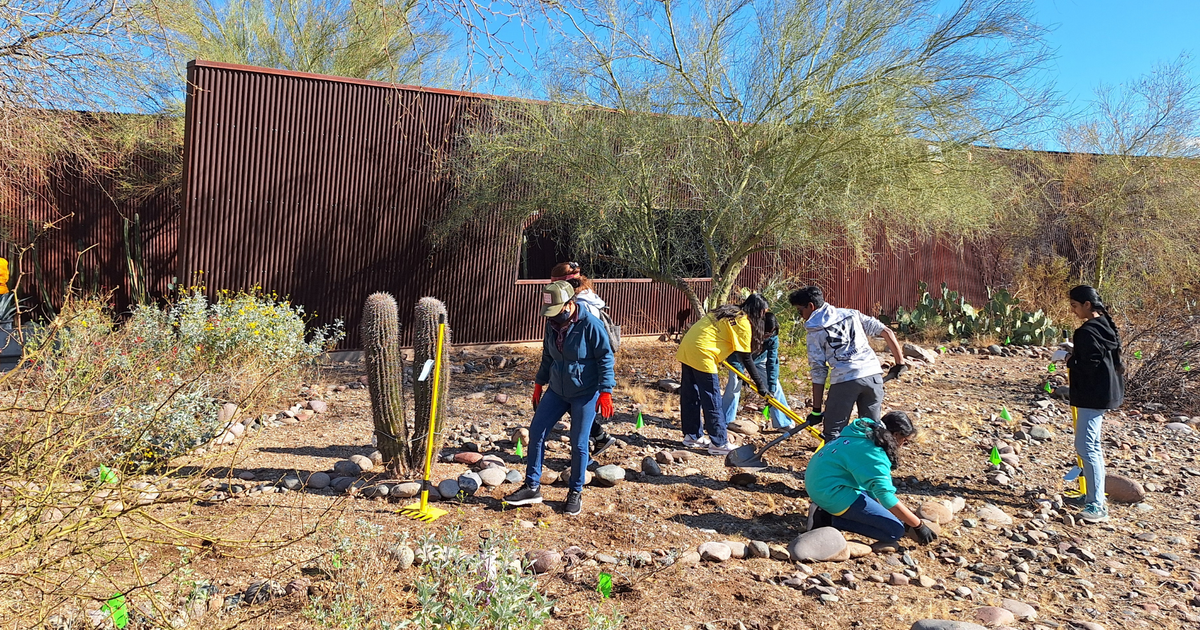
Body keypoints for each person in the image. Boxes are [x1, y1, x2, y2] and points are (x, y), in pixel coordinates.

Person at [504, 281, 615, 516]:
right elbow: (547, 355)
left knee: (579, 443)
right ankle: (531, 487)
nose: (554, 317)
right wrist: (538, 383)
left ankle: (575, 491)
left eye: (558, 311)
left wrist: (606, 391)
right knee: (536, 432)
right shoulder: (551, 323)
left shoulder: (591, 325)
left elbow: (605, 358)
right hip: (556, 389)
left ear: (570, 304)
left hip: (585, 392)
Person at [789, 286, 906, 442]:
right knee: (872, 431)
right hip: (872, 376)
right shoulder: (851, 314)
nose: (801, 316)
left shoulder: (815, 332)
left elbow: (818, 372)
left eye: (800, 311)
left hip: (845, 381)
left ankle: (833, 464)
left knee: (834, 432)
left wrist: (816, 410)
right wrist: (900, 362)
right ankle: (868, 464)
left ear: (811, 306)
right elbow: (887, 332)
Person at [804, 411, 936, 545]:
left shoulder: (862, 433)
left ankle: (827, 510)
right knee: (894, 531)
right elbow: (886, 496)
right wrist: (918, 525)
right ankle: (828, 518)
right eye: (905, 441)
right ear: (896, 435)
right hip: (829, 492)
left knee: (885, 511)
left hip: (818, 482)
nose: (902, 446)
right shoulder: (874, 452)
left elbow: (873, 487)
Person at [676, 301, 770, 455]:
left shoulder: (727, 311)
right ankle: (719, 443)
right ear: (756, 311)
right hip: (703, 353)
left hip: (688, 346)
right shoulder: (743, 322)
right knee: (712, 398)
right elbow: (746, 358)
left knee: (691, 395)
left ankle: (692, 437)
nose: (763, 317)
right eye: (763, 313)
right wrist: (760, 385)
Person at [1065, 285, 1124, 524]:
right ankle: (1092, 494)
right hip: (1106, 394)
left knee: (1086, 447)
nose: (1073, 311)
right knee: (1093, 446)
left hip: (1092, 395)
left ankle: (1096, 505)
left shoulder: (1086, 331)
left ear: (1087, 305)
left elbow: (1088, 367)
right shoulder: (1106, 325)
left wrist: (1068, 359)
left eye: (1075, 306)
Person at [551, 262, 617, 456]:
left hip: (586, 369)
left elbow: (599, 349)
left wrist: (606, 390)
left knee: (579, 411)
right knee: (574, 407)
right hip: (576, 368)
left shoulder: (584, 307)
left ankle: (588, 452)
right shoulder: (584, 297)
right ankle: (596, 438)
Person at [722, 294, 795, 430]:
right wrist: (739, 371)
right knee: (734, 386)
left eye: (770, 335)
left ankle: (783, 422)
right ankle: (724, 421)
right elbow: (734, 353)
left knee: (775, 388)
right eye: (766, 334)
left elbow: (772, 363)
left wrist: (770, 388)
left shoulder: (773, 337)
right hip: (739, 359)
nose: (768, 337)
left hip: (760, 360)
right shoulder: (745, 327)